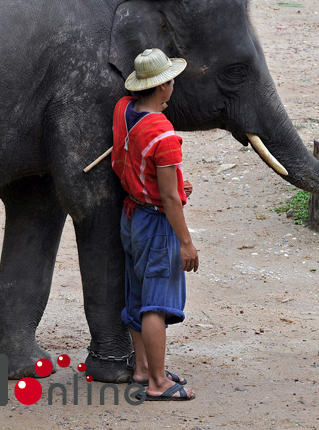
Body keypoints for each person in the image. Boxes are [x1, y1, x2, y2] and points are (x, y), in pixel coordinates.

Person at [111, 48, 198, 401]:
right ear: (164, 87)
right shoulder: (164, 134)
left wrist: (174, 184)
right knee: (155, 304)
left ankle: (143, 367)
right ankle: (159, 382)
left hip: (131, 215)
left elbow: (134, 165)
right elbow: (170, 199)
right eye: (171, 80)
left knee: (136, 294)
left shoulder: (123, 111)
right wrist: (186, 242)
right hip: (157, 223)